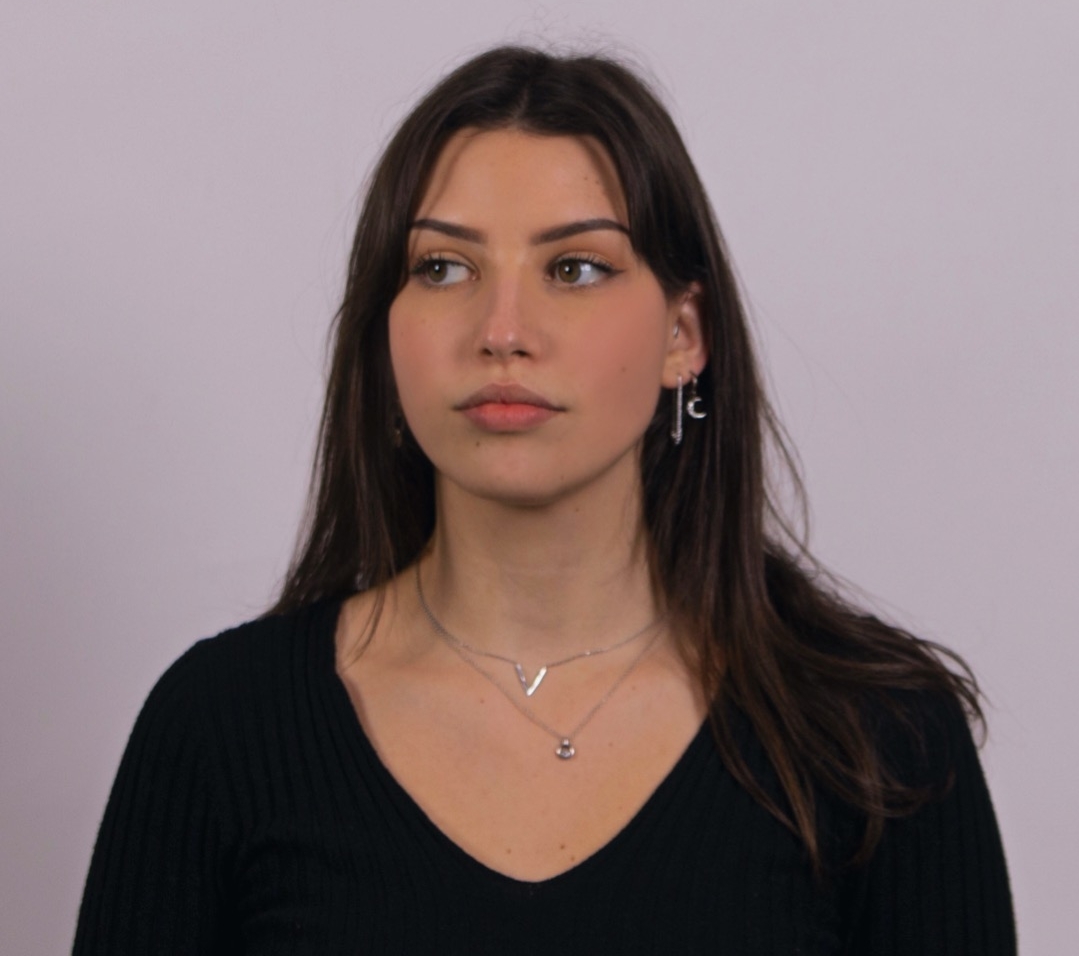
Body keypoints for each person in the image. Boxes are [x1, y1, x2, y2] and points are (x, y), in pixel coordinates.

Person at [74, 46, 1016, 954]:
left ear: (683, 335)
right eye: (443, 267)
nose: (502, 330)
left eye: (574, 268)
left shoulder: (880, 740)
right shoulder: (220, 730)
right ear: (383, 332)